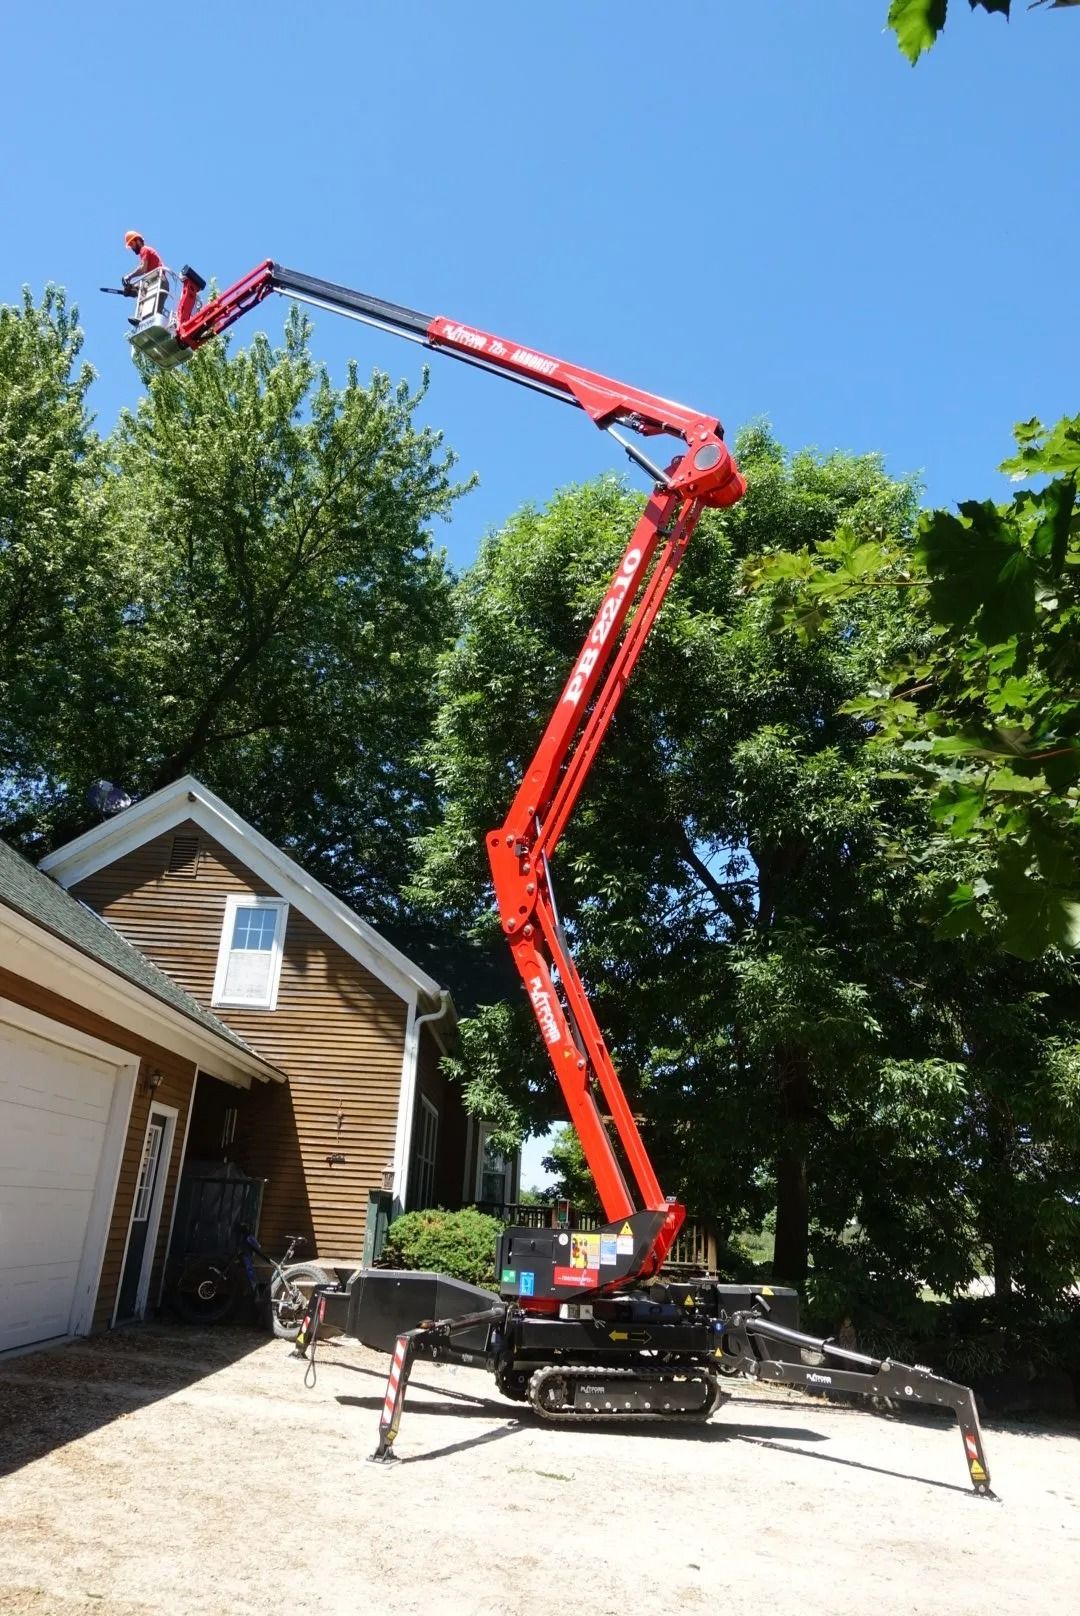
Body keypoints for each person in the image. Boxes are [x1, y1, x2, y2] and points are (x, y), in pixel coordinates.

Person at [122, 231, 168, 325]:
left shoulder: (144, 250)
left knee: (151, 315)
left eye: (131, 244)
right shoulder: (146, 252)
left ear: (138, 241)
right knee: (151, 314)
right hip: (159, 282)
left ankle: (140, 319)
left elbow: (143, 269)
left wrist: (129, 276)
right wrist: (132, 288)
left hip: (158, 281)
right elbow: (145, 279)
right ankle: (141, 319)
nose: (131, 247)